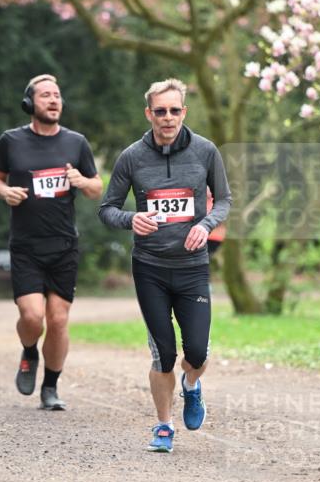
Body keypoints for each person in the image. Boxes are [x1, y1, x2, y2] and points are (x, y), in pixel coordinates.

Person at [99, 78, 231, 454]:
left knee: (198, 353)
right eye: (160, 111)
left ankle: (192, 386)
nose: (168, 118)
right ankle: (163, 426)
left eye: (174, 110)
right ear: (149, 114)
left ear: (184, 112)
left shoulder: (206, 152)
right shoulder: (131, 157)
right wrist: (131, 220)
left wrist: (205, 225)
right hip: (150, 267)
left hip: (192, 267)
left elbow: (224, 200)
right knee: (163, 354)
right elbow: (106, 208)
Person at [0, 74, 102, 409]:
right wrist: (6, 191)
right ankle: (28, 352)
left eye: (57, 95)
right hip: (26, 245)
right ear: (30, 103)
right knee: (33, 317)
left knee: (58, 319)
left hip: (63, 244)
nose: (53, 101)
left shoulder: (76, 143)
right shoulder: (11, 141)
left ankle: (50, 387)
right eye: (45, 96)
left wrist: (81, 180)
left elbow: (96, 189)